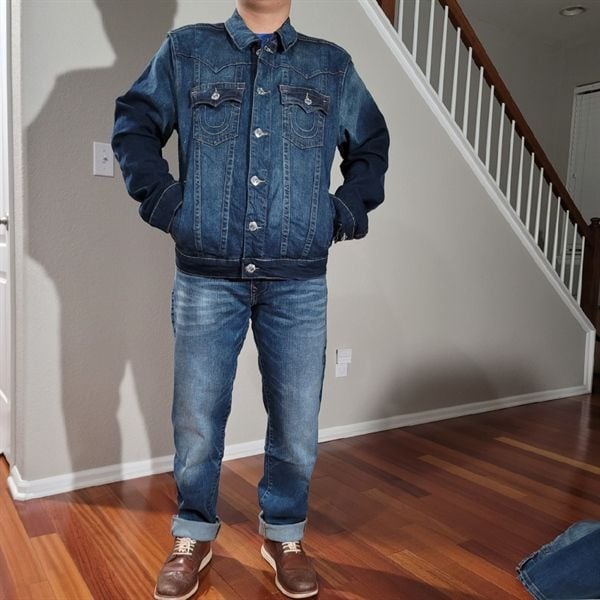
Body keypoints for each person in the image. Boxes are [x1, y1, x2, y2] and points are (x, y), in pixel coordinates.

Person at [111, 1, 390, 598]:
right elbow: (133, 124)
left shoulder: (331, 65)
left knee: (296, 421)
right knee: (197, 418)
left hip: (298, 280)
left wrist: (342, 213)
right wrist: (167, 204)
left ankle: (284, 533)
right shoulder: (187, 50)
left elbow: (370, 146)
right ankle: (193, 533)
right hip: (207, 275)